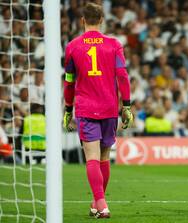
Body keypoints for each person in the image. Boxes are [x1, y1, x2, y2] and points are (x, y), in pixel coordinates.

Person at [62, 3, 133, 218]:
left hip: (85, 108)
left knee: (91, 157)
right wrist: (127, 106)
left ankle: (100, 204)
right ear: (101, 20)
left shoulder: (73, 46)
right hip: (109, 108)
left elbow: (69, 82)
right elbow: (122, 76)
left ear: (82, 20)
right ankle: (98, 204)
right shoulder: (114, 44)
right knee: (103, 156)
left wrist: (67, 109)